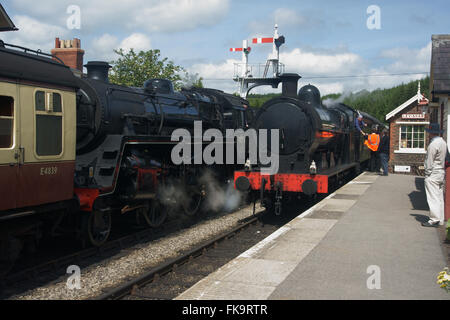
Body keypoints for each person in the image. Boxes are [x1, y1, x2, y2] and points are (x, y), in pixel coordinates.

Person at [422, 123, 447, 227]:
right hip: (441, 172)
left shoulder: (433, 144)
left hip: (433, 173)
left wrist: (427, 173)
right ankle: (440, 218)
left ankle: (434, 219)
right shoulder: (443, 142)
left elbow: (429, 161)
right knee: (439, 196)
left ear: (431, 133)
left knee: (432, 197)